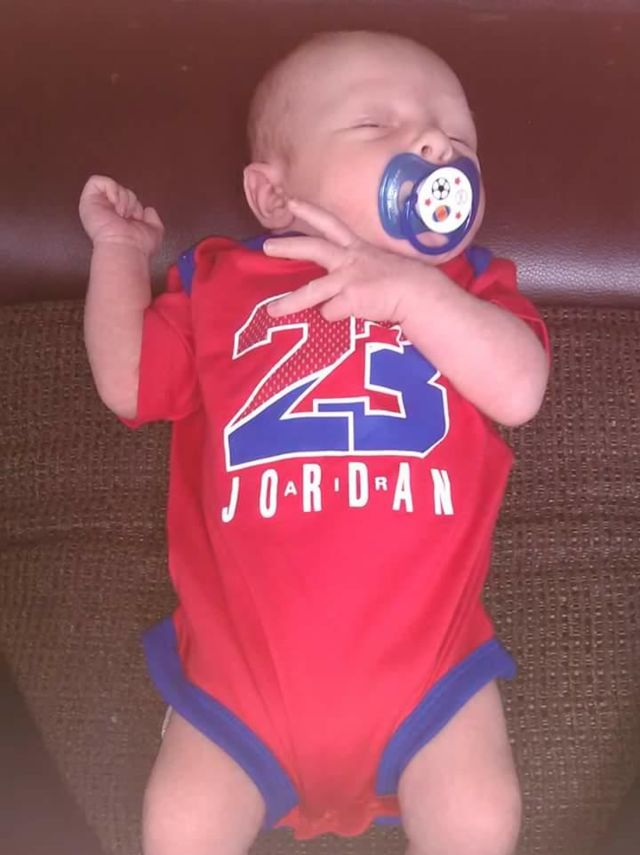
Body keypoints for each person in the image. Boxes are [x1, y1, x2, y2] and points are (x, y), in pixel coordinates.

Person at [79, 29, 550, 855]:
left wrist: (412, 295)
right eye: (377, 124)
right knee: (181, 822)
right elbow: (129, 381)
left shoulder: (470, 287)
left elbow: (520, 389)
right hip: (238, 680)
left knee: (478, 813)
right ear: (272, 195)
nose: (435, 144)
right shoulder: (220, 284)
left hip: (428, 671)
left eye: (458, 136)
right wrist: (119, 256)